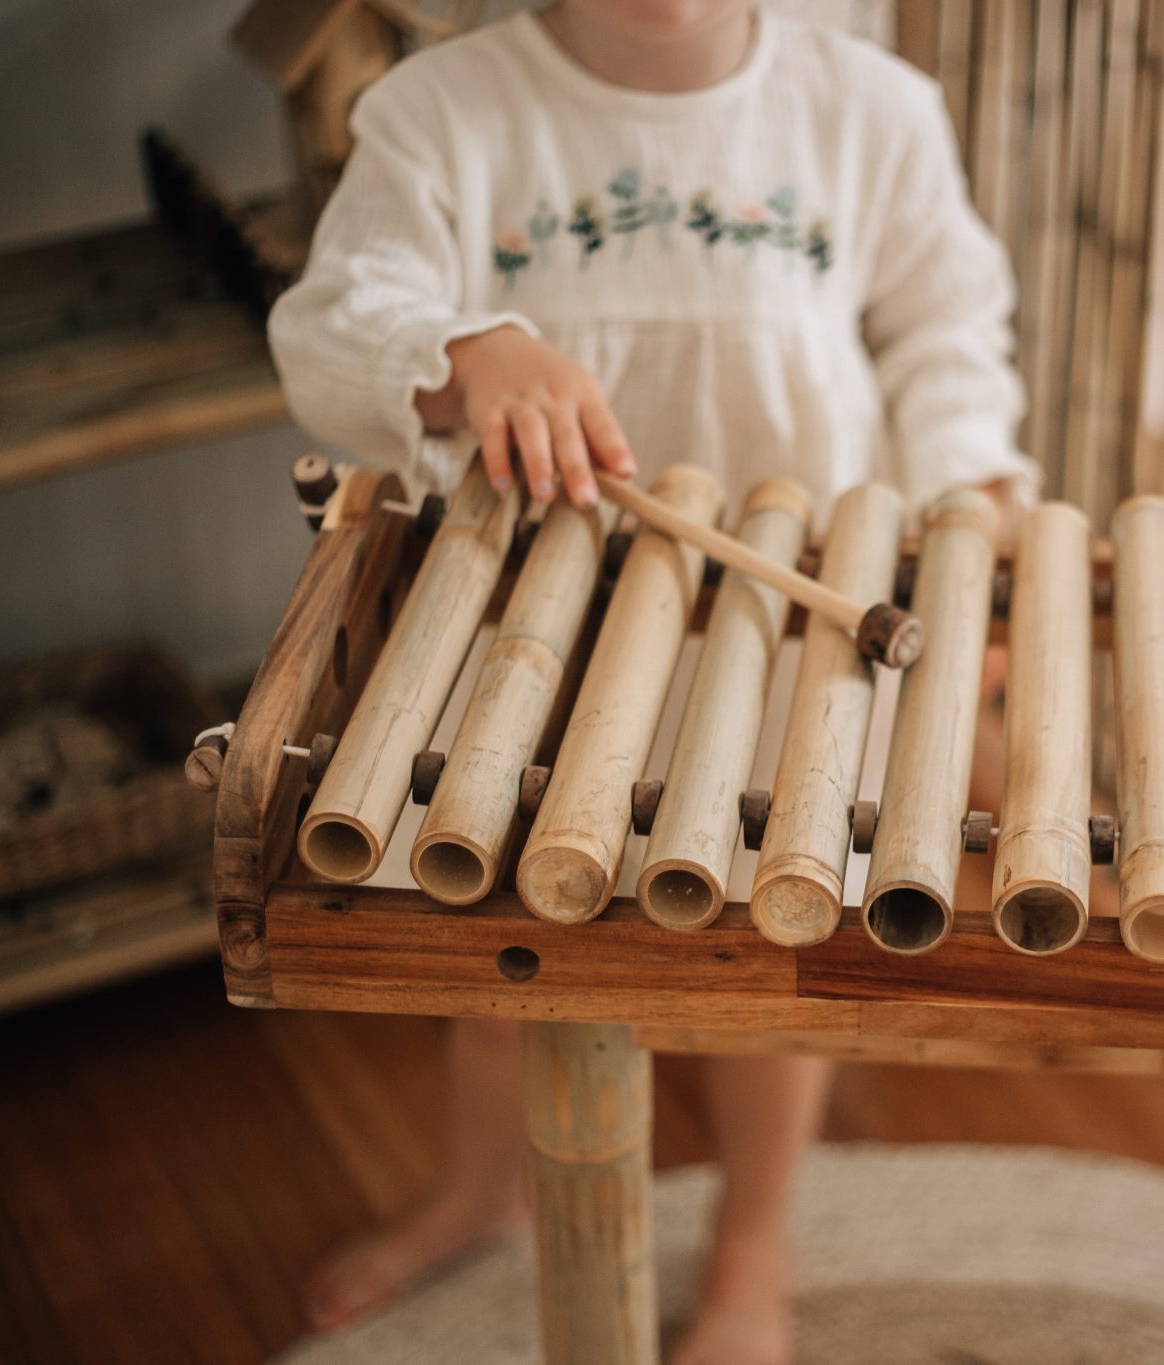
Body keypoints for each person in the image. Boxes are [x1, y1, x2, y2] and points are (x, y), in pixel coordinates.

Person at [265, 3, 1033, 1360]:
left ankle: (754, 1238)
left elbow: (947, 336)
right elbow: (333, 331)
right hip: (533, 635)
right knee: (506, 948)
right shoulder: (439, 112)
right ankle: (482, 1190)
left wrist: (971, 510)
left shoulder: (873, 110)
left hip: (784, 631)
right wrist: (465, 355)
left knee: (769, 960)